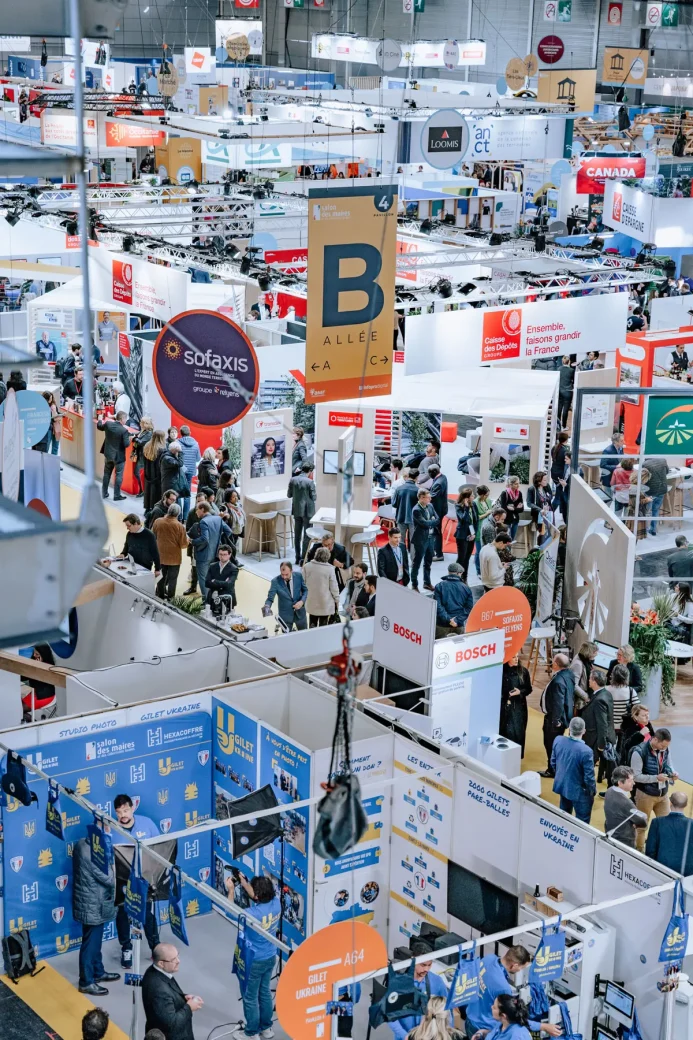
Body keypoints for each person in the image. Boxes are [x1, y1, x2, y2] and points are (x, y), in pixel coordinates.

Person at [224, 875, 281, 1040]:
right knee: (264, 992)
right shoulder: (276, 903)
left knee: (249, 997)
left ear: (256, 896)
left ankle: (251, 1033)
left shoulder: (251, 914)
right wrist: (244, 883)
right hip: (270, 956)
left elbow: (230, 911)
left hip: (254, 960)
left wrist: (231, 890)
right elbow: (258, 894)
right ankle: (266, 1028)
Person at [110, 793, 161, 966]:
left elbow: (159, 847)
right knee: (123, 914)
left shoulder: (147, 823)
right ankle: (126, 948)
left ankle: (156, 948)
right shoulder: (111, 829)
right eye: (119, 812)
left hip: (144, 878)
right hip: (122, 881)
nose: (123, 815)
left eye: (126, 810)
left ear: (132, 808)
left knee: (146, 913)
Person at [466, 946, 559, 1039]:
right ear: (514, 965)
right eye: (521, 968)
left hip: (470, 1017)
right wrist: (544, 1026)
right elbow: (516, 1019)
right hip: (484, 1026)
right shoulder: (503, 989)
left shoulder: (488, 958)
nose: (520, 971)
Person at [72, 834, 120, 995]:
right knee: (90, 944)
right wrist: (115, 864)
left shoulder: (82, 843)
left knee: (94, 941)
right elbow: (109, 879)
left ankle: (98, 972)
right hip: (93, 904)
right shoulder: (94, 854)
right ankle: (86, 981)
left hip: (90, 902)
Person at [388, 941, 450, 1040]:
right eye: (423, 965)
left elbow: (447, 1009)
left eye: (429, 965)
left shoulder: (437, 982)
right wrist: (405, 1036)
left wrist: (447, 1033)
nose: (426, 969)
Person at [631, 727, 678, 852]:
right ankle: (638, 853)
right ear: (655, 739)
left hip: (663, 795)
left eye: (666, 746)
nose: (664, 749)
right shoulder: (639, 752)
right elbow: (636, 776)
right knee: (641, 827)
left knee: (666, 825)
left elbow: (668, 764)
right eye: (662, 745)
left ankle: (660, 854)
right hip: (644, 795)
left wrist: (672, 772)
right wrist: (656, 778)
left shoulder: (665, 748)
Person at [142, 944, 203, 1040]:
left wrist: (183, 997)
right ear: (161, 963)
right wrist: (189, 1007)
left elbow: (168, 995)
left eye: (178, 956)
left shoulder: (154, 972)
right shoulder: (159, 990)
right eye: (173, 959)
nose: (178, 961)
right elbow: (171, 1024)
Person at [550, 717, 597, 823]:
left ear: (569, 729)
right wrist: (592, 791)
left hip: (563, 785)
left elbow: (553, 762)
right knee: (582, 822)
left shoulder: (558, 740)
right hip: (580, 792)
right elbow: (589, 777)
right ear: (584, 731)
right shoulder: (586, 751)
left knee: (564, 817)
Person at [539, 653, 575, 778]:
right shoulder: (569, 675)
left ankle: (552, 769)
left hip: (554, 720)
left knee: (550, 744)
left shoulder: (558, 681)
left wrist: (556, 721)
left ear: (556, 664)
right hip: (564, 717)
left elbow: (558, 704)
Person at [190, 501, 232, 599]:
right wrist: (217, 538)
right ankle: (212, 599)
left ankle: (206, 601)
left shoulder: (203, 522)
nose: (196, 512)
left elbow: (204, 539)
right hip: (215, 553)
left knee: (203, 579)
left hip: (203, 555)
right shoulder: (218, 519)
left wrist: (192, 541)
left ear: (202, 509)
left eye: (197, 509)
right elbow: (228, 531)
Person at [646, 790, 693, 874]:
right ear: (685, 805)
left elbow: (650, 851)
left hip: (661, 870)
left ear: (670, 803)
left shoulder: (657, 822)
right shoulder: (691, 824)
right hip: (686, 873)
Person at [580, 667, 616, 770]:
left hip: (594, 739)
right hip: (598, 736)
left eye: (590, 679)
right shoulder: (605, 693)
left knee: (588, 767)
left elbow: (602, 723)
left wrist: (601, 745)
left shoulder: (599, 700)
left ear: (595, 682)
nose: (588, 681)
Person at [152, 504, 189, 600]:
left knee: (161, 577)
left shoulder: (158, 521)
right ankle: (171, 598)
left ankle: (159, 595)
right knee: (173, 579)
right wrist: (188, 540)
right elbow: (183, 544)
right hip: (174, 558)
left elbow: (153, 536)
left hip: (160, 555)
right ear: (178, 514)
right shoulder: (179, 526)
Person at [604, 766, 647, 846]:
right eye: (630, 781)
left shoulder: (609, 791)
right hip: (625, 840)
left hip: (611, 833)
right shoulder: (626, 803)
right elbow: (643, 821)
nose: (634, 783)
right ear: (620, 783)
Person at [500, 653, 532, 756]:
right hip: (505, 706)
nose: (516, 659)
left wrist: (520, 692)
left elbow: (528, 689)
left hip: (519, 706)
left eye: (517, 656)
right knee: (505, 731)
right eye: (513, 657)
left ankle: (516, 756)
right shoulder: (501, 671)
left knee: (518, 733)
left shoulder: (523, 671)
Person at [287, 460, 316, 564]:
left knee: (297, 535)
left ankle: (297, 557)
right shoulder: (310, 482)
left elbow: (289, 495)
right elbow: (314, 497)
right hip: (308, 512)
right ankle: (304, 559)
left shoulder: (293, 480)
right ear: (310, 471)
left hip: (296, 510)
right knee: (307, 536)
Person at [264, 561, 307, 630]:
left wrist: (302, 601)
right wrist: (267, 606)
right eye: (282, 574)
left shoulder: (299, 576)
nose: (284, 577)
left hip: (300, 614)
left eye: (286, 574)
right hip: (285, 616)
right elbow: (270, 598)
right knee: (287, 639)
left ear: (291, 571)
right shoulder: (275, 582)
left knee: (304, 637)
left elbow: (305, 590)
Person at [98, 410, 131, 501]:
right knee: (119, 475)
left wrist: (100, 419)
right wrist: (129, 438)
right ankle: (117, 495)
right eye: (125, 419)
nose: (126, 421)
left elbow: (99, 426)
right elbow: (126, 444)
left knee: (106, 474)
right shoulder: (124, 430)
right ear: (122, 419)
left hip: (108, 454)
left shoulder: (108, 424)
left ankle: (104, 493)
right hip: (119, 457)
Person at [433, 562, 472, 638]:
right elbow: (468, 608)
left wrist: (448, 619)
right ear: (458, 573)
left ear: (449, 572)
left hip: (442, 625)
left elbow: (438, 606)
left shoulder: (439, 586)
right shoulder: (466, 588)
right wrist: (457, 620)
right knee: (459, 648)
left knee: (440, 648)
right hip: (458, 625)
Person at [304, 546, 340, 627]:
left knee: (312, 623)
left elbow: (303, 583)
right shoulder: (330, 569)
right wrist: (337, 599)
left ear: (316, 555)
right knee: (323, 627)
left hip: (311, 601)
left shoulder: (307, 566)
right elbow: (334, 587)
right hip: (325, 603)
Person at [21, 643, 57, 722]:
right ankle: (28, 719)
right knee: (17, 702)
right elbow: (24, 676)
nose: (34, 655)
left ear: (43, 654)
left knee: (18, 709)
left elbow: (27, 677)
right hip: (38, 693)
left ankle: (31, 722)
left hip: (44, 696)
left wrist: (37, 665)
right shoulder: (36, 661)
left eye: (36, 653)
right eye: (34, 652)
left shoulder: (48, 667)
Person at [411, 489, 438, 592]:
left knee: (428, 562)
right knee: (417, 562)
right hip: (421, 540)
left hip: (430, 538)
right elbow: (424, 524)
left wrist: (430, 521)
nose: (430, 499)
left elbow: (438, 518)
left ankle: (427, 583)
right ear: (421, 498)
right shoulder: (416, 510)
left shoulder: (430, 506)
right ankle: (414, 584)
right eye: (428, 497)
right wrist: (432, 521)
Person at [607, 663, 640, 733]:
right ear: (627, 676)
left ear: (613, 675)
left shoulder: (605, 690)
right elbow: (638, 709)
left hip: (607, 727)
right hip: (624, 728)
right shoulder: (631, 691)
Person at [206, 544, 239, 610]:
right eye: (220, 554)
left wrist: (214, 581)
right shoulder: (212, 566)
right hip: (212, 598)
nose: (222, 556)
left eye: (225, 554)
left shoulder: (234, 568)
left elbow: (229, 584)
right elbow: (207, 583)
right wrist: (224, 582)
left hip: (227, 598)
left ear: (229, 555)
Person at [642, 454, 669, 537]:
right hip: (662, 489)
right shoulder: (663, 460)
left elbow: (643, 477)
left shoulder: (645, 464)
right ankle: (653, 530)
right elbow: (667, 472)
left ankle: (644, 530)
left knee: (647, 511)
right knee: (656, 510)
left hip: (651, 491)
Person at [393, 468, 420, 548]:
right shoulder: (417, 490)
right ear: (416, 477)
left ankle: (401, 558)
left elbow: (394, 504)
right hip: (413, 519)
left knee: (400, 541)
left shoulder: (399, 489)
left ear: (408, 476)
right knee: (413, 541)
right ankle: (414, 559)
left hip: (401, 517)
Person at [178, 426, 200, 518]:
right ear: (190, 432)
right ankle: (185, 518)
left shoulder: (178, 443)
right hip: (191, 470)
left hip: (180, 470)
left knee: (178, 493)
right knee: (188, 494)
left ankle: (178, 516)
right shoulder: (196, 444)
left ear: (180, 433)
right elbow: (198, 458)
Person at [454, 488, 476, 581]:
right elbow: (463, 519)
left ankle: (464, 577)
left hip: (472, 534)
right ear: (466, 498)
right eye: (471, 495)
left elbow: (476, 520)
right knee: (461, 558)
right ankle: (456, 577)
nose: (474, 497)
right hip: (462, 535)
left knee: (467, 558)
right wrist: (466, 507)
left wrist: (474, 533)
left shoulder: (474, 504)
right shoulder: (458, 506)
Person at [428, 464, 448, 561]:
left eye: (429, 473)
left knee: (436, 532)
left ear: (434, 472)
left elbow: (431, 497)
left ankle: (439, 554)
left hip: (437, 510)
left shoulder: (438, 483)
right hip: (441, 508)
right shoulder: (443, 477)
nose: (428, 475)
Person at [143, 430, 167, 513]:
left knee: (148, 490)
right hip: (158, 474)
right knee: (156, 492)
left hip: (147, 473)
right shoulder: (162, 449)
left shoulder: (147, 446)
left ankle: (147, 508)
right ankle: (155, 509)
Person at [526, 472, 552, 545]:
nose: (546, 481)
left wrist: (547, 501)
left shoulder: (547, 487)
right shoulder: (532, 489)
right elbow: (529, 503)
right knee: (541, 534)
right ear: (539, 481)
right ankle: (540, 549)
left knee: (548, 533)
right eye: (544, 480)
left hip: (548, 514)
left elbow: (550, 496)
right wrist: (540, 509)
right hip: (538, 515)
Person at [569, 641, 598, 706]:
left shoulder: (584, 659)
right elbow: (574, 685)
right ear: (589, 653)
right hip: (580, 700)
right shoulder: (578, 664)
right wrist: (586, 697)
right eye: (594, 653)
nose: (596, 655)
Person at [473, 486, 492, 577]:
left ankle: (486, 569)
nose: (487, 496)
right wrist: (486, 513)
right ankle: (478, 571)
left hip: (487, 527)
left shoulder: (488, 501)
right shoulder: (475, 503)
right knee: (479, 551)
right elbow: (476, 518)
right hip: (479, 528)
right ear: (482, 495)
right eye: (486, 495)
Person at [132, 417, 154, 497]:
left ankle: (143, 490)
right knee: (139, 473)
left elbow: (142, 443)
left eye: (143, 422)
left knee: (138, 472)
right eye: (141, 422)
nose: (141, 424)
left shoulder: (149, 433)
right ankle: (142, 490)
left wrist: (135, 439)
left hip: (144, 456)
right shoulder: (143, 431)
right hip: (140, 454)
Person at [497, 476, 524, 541]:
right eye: (516, 484)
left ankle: (509, 551)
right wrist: (516, 508)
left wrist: (513, 508)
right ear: (510, 484)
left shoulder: (519, 494)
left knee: (511, 540)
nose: (518, 485)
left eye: (518, 483)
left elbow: (521, 509)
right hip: (506, 521)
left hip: (515, 520)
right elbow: (503, 509)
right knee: (505, 540)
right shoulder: (504, 493)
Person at [557, 355, 574, 429]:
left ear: (562, 361)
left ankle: (558, 425)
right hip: (568, 391)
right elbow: (573, 380)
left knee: (559, 408)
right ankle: (564, 426)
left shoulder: (559, 369)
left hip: (560, 390)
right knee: (566, 410)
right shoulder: (571, 370)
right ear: (569, 361)